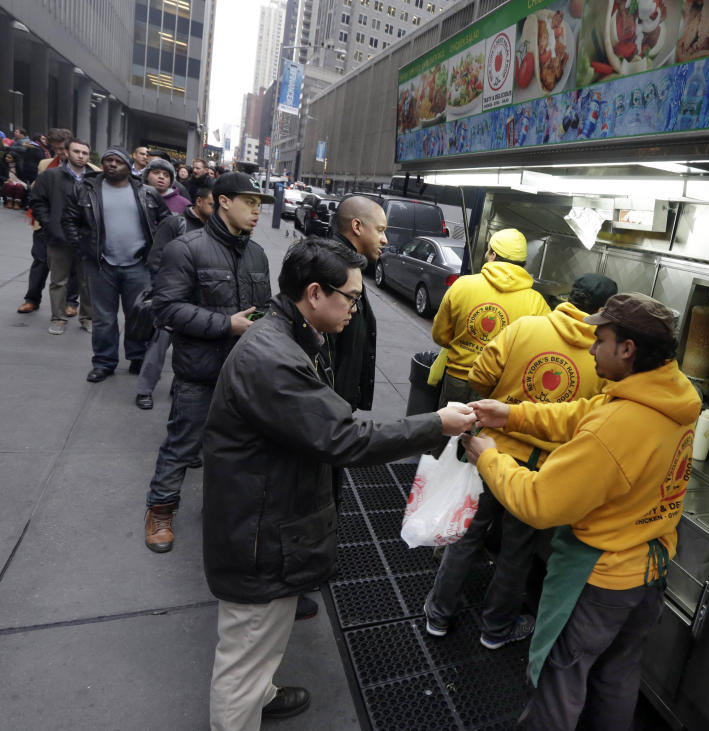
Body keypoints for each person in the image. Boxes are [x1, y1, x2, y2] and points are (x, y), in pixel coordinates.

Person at [203, 237, 477, 730]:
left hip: (268, 519)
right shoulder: (273, 359)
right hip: (258, 535)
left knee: (263, 638)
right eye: (351, 296)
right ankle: (240, 713)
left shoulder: (291, 337)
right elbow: (345, 439)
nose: (356, 306)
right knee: (245, 652)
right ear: (314, 293)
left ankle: (259, 695)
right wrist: (436, 423)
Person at [462, 293, 701, 730]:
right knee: (616, 674)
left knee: (562, 677)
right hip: (649, 571)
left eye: (601, 339)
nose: (591, 348)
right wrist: (511, 414)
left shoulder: (617, 428)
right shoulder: (673, 397)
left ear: (627, 349)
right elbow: (581, 414)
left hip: (601, 579)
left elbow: (538, 503)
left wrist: (487, 456)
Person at [424, 274, 618, 650]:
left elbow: (479, 376)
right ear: (601, 314)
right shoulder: (603, 360)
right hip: (541, 470)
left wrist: (508, 396)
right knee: (517, 551)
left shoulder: (526, 327)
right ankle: (495, 629)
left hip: (488, 450)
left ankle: (437, 615)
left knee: (466, 534)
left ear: (569, 296)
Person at [143, 172, 272, 553]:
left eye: (259, 205)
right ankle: (160, 510)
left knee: (236, 451)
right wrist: (225, 325)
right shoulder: (186, 248)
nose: (256, 211)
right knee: (183, 445)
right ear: (223, 201)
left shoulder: (257, 254)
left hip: (244, 374)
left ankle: (221, 512)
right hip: (199, 372)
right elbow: (165, 308)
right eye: (249, 202)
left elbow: (262, 309)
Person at [63, 146, 169, 382]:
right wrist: (83, 249)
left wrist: (155, 253)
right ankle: (104, 362)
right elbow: (69, 220)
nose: (112, 164)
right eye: (107, 160)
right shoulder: (86, 189)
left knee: (139, 315)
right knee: (103, 317)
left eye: (117, 161)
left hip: (138, 265)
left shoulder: (147, 192)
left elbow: (166, 223)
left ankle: (137, 357)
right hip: (101, 266)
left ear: (127, 165)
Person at [432, 228, 550, 406]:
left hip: (457, 380)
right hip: (499, 390)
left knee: (450, 429)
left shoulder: (463, 285)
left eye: (488, 251)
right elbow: (538, 353)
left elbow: (440, 336)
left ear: (493, 255)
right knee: (483, 434)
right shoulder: (537, 303)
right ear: (523, 263)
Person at [134, 186, 214, 410]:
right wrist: (166, 292)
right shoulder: (175, 223)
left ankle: (178, 386)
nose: (216, 210)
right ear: (198, 202)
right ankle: (144, 390)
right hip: (172, 296)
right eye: (212, 204)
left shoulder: (216, 229)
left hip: (199, 299)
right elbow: (156, 258)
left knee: (189, 347)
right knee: (159, 344)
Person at [32, 138, 97, 335]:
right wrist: (50, 225)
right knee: (58, 281)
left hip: (86, 238)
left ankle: (87, 317)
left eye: (85, 153)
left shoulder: (95, 178)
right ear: (67, 153)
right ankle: (58, 318)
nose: (81, 156)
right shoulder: (51, 175)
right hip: (58, 237)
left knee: (88, 281)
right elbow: (37, 201)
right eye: (77, 151)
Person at [328, 194, 388, 410]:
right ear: (357, 226)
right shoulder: (334, 271)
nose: (385, 239)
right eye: (380, 230)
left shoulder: (349, 266)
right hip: (329, 407)